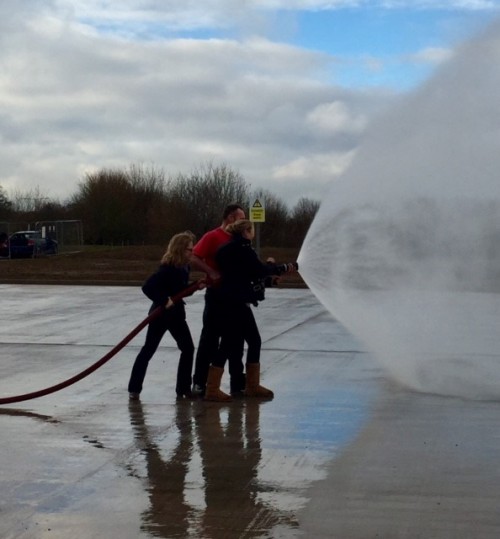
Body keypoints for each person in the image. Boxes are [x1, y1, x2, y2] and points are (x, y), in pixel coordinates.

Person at [204, 219, 297, 402]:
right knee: (239, 342)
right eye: (251, 230)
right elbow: (257, 270)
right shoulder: (244, 250)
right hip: (236, 304)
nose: (252, 233)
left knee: (244, 341)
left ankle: (248, 386)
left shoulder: (226, 249)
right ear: (246, 232)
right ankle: (215, 389)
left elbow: (244, 274)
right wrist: (284, 268)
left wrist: (268, 280)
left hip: (230, 301)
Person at [128, 232, 202, 400]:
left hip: (176, 315)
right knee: (149, 350)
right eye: (190, 249)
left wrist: (196, 286)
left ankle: (183, 389)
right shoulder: (167, 268)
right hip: (160, 315)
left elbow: (179, 291)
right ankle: (134, 388)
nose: (192, 252)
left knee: (187, 348)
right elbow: (147, 287)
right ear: (181, 249)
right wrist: (163, 300)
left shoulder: (184, 267)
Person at [190, 204, 247, 396]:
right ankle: (200, 383)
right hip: (217, 295)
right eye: (241, 218)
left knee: (236, 341)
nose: (245, 222)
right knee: (210, 340)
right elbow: (194, 257)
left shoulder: (239, 239)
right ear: (230, 218)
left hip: (236, 297)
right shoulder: (213, 236)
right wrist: (211, 272)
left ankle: (237, 384)